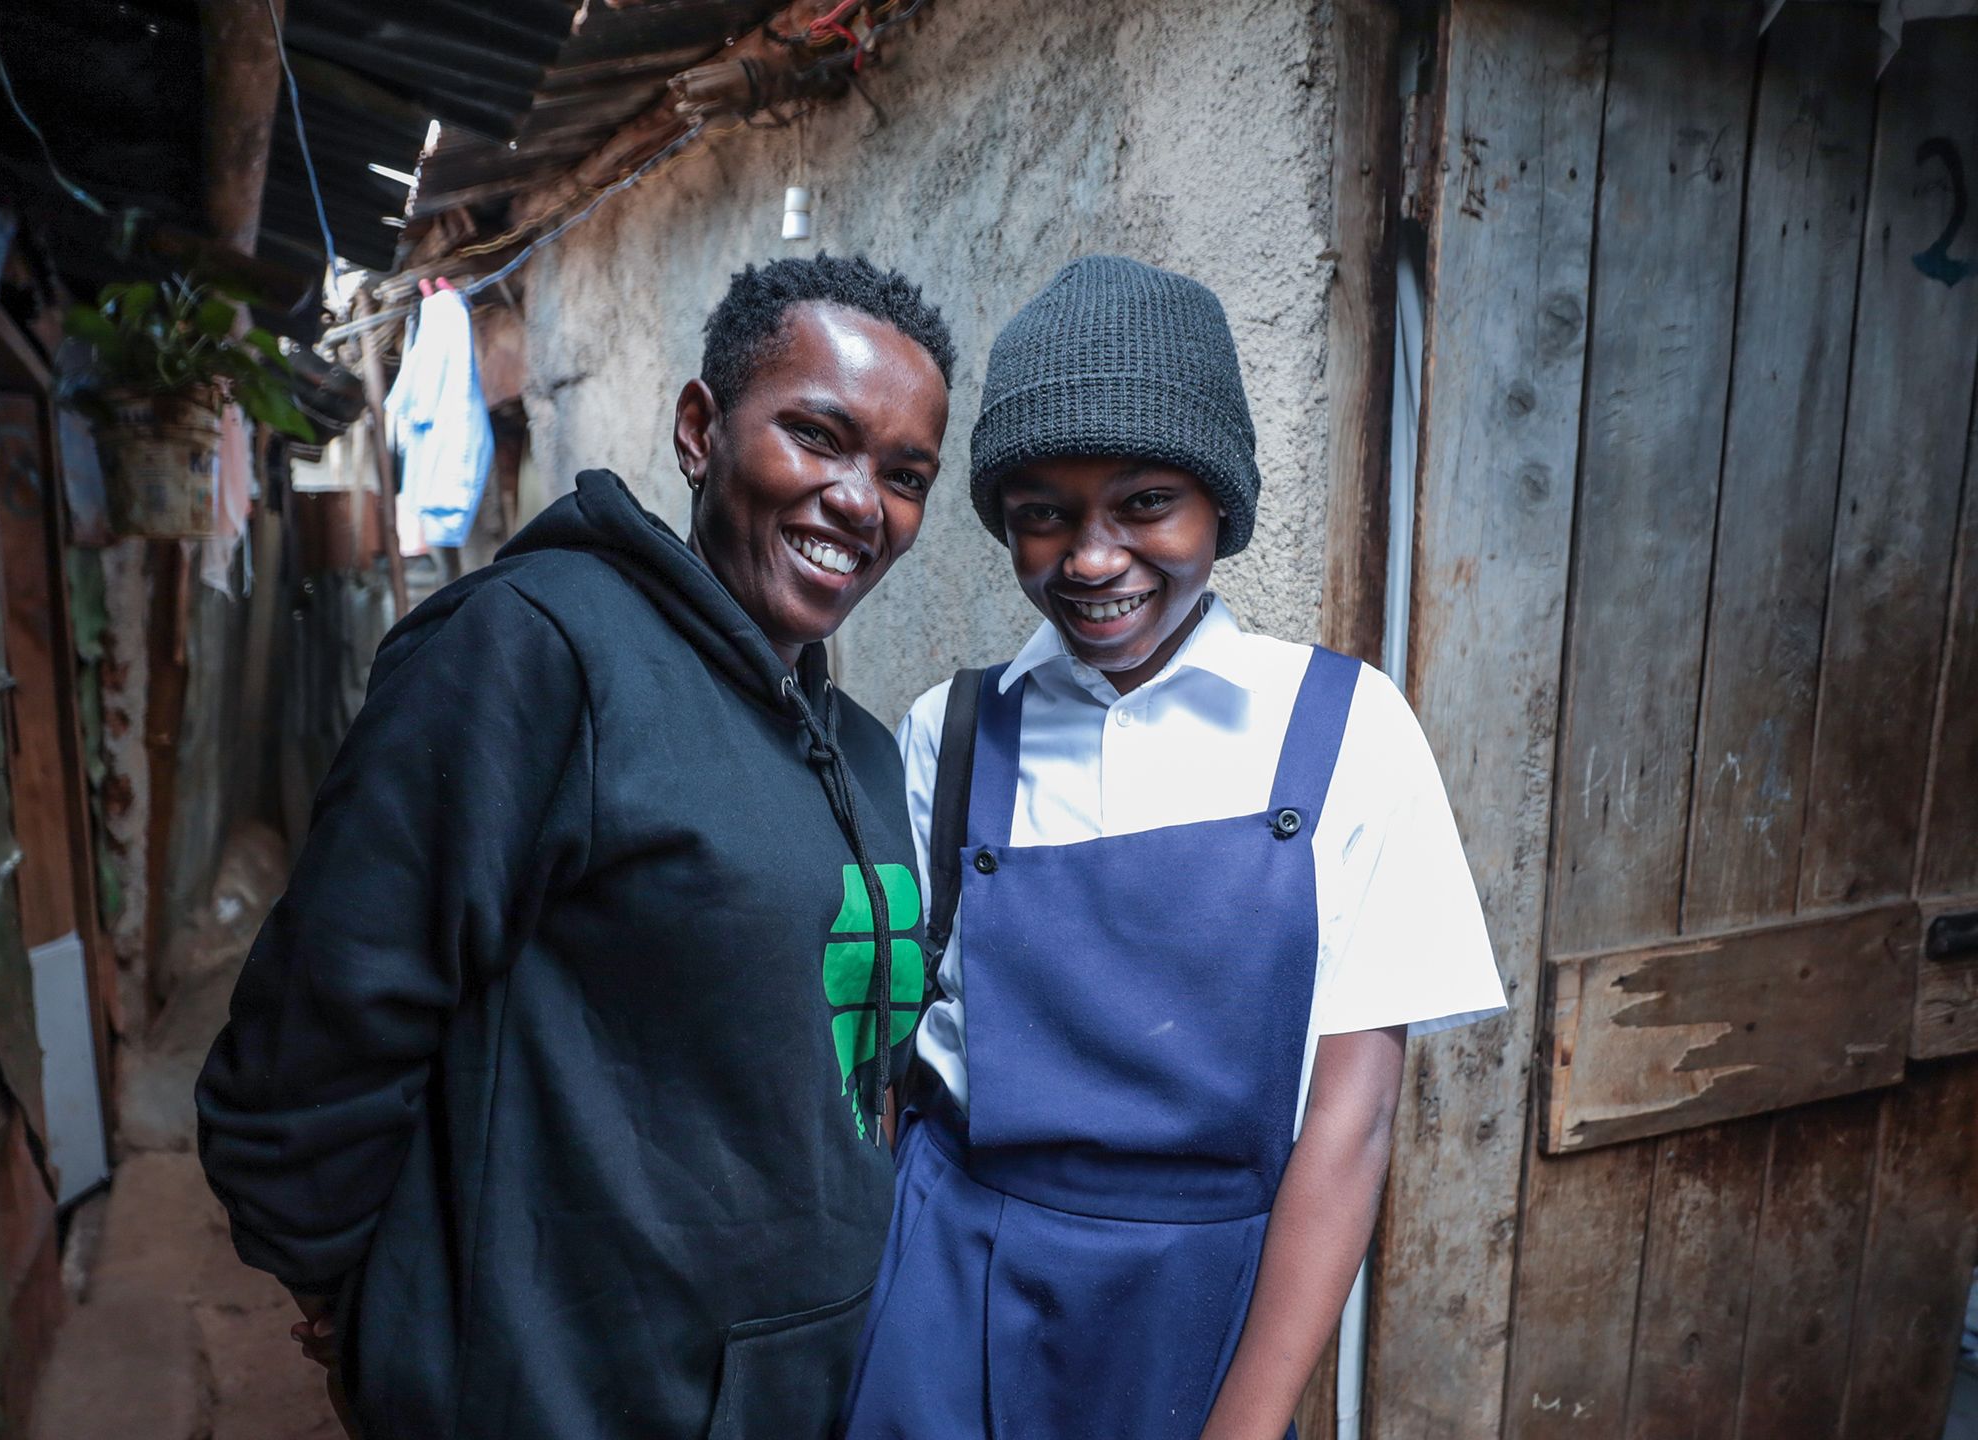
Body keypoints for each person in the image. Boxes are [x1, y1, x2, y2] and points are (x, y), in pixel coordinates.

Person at [198, 254, 956, 1440]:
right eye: (817, 436)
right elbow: (314, 1039)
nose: (860, 501)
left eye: (904, 475)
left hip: (797, 1398)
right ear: (700, 430)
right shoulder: (539, 654)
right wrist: (376, 1313)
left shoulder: (855, 753)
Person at [842, 256, 1506, 1439]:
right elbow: (902, 1063)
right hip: (954, 1281)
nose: (1091, 560)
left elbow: (1347, 1130)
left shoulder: (1346, 731)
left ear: (1218, 502)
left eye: (1144, 503)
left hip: (1202, 1312)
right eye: (1042, 513)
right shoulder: (951, 732)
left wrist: (1244, 1425)